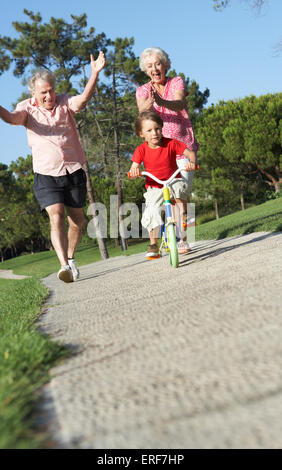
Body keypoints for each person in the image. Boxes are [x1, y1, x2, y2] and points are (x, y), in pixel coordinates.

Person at [0, 52, 105, 283]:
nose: (49, 96)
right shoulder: (26, 110)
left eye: (51, 90)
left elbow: (83, 100)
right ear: (33, 93)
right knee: (56, 216)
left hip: (73, 168)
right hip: (46, 174)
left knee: (77, 220)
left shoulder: (64, 102)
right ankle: (64, 265)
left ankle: (70, 258)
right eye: (43, 92)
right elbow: (9, 117)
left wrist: (94, 74)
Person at [136, 47, 199, 252]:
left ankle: (182, 239)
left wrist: (161, 101)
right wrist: (151, 102)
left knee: (180, 192)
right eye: (150, 66)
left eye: (158, 64)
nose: (155, 68)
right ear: (145, 71)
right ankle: (166, 236)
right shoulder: (143, 91)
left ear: (166, 65)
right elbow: (141, 114)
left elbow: (180, 104)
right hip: (160, 152)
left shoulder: (176, 81)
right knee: (164, 196)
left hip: (182, 147)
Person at [129, 110, 197, 259]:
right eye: (149, 130)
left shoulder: (171, 143)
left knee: (180, 193)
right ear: (141, 134)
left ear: (162, 128)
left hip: (173, 180)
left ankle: (182, 237)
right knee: (151, 210)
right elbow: (134, 166)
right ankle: (153, 244)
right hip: (155, 185)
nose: (154, 133)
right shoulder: (140, 150)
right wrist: (134, 170)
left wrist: (191, 162)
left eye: (157, 128)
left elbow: (190, 153)